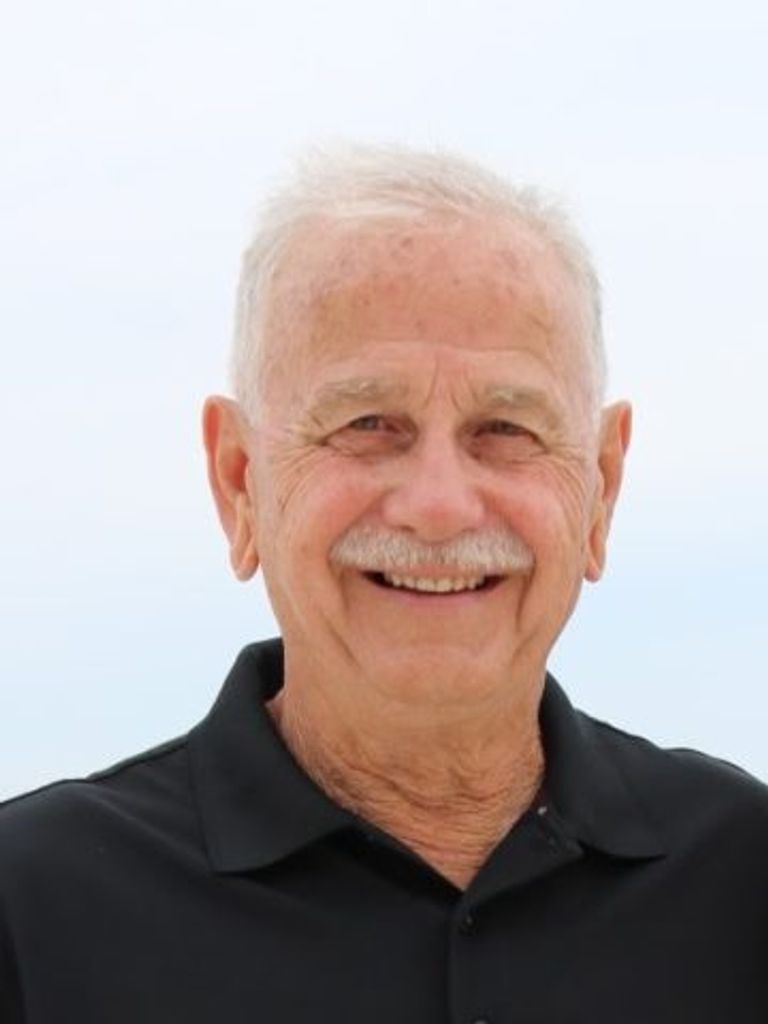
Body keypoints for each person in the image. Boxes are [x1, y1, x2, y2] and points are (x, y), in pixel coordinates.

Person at [1, 144, 766, 1023]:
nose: (438, 506)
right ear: (239, 480)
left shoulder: (744, 886)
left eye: (505, 429)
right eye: (368, 423)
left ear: (602, 486)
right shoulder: (32, 916)